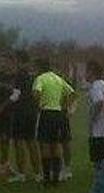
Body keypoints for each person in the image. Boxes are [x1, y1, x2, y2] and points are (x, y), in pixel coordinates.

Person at [32, 58, 76, 186]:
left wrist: (38, 103)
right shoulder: (58, 78)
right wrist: (65, 107)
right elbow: (72, 93)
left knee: (45, 144)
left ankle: (47, 178)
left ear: (39, 67)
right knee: (56, 144)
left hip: (46, 113)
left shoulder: (40, 78)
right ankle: (56, 178)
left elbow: (36, 93)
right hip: (58, 114)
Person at [8, 52, 42, 183]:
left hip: (20, 112)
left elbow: (16, 95)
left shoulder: (19, 75)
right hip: (32, 112)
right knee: (31, 142)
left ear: (18, 61)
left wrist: (2, 106)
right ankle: (37, 174)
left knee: (18, 142)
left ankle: (21, 174)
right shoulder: (34, 76)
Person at [86, 60, 104, 193]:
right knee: (103, 159)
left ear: (92, 72)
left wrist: (93, 118)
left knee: (98, 162)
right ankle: (103, 188)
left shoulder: (96, 86)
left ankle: (99, 190)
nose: (85, 74)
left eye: (87, 71)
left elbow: (99, 102)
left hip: (98, 130)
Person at [0, 51, 15, 176]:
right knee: (2, 139)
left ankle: (4, 163)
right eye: (1, 61)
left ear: (11, 62)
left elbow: (15, 93)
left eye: (5, 61)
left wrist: (0, 108)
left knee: (7, 139)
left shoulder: (15, 76)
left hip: (10, 111)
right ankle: (4, 163)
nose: (3, 64)